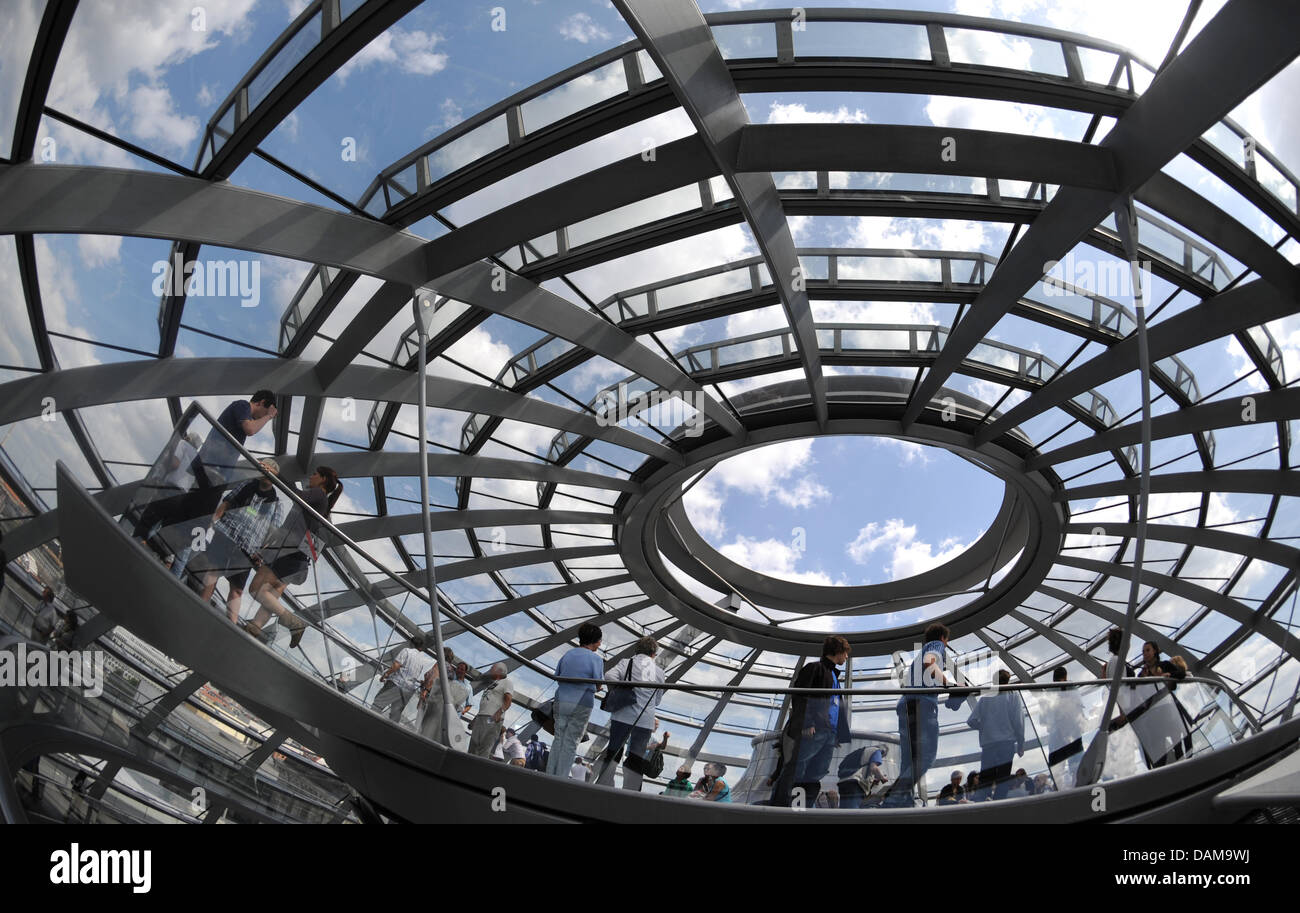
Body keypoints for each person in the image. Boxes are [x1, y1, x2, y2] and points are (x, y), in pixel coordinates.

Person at [244, 466, 342, 646]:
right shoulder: (321, 501)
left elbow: (295, 494)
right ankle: (254, 628)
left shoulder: (318, 494)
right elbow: (286, 528)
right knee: (271, 594)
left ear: (323, 479)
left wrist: (276, 475)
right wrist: (266, 550)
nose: (311, 476)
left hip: (289, 551)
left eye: (315, 474)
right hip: (295, 556)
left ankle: (294, 622)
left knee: (256, 588)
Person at [882, 623, 962, 807]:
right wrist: (949, 684)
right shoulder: (936, 646)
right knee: (926, 756)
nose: (946, 644)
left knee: (908, 760)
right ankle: (894, 797)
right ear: (943, 638)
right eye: (947, 640)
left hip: (906, 706)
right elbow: (930, 661)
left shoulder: (919, 655)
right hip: (922, 706)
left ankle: (903, 801)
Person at [198, 459, 283, 623]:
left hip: (248, 550)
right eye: (262, 469)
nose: (264, 473)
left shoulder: (276, 504)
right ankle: (200, 608)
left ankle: (232, 624)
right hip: (225, 536)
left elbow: (275, 534)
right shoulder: (246, 485)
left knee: (236, 589)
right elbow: (227, 502)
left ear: (274, 476)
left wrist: (261, 553)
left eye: (268, 471)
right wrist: (213, 521)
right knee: (211, 574)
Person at [772, 635, 852, 806]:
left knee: (817, 771)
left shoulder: (834, 676)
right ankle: (781, 807)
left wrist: (837, 734)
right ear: (838, 651)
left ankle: (801, 808)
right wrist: (807, 723)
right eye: (845, 653)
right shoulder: (814, 668)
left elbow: (835, 706)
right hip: (815, 730)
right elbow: (800, 695)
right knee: (796, 769)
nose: (846, 657)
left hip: (829, 733)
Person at [594, 636, 665, 791]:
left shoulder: (627, 663)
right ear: (653, 654)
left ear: (637, 649)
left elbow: (609, 676)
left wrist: (620, 691)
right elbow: (657, 700)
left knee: (614, 753)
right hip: (645, 720)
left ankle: (604, 787)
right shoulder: (659, 672)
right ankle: (631, 792)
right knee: (636, 759)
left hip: (623, 716)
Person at [546, 623, 604, 777]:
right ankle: (560, 777)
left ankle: (549, 773)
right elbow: (598, 685)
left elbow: (557, 675)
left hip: (561, 700)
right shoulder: (596, 659)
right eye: (599, 641)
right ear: (594, 641)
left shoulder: (568, 654)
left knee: (558, 738)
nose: (600, 644)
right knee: (571, 742)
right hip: (582, 702)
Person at [967, 669, 1025, 800]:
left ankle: (981, 807)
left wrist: (984, 728)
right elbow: (1018, 722)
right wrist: (1021, 744)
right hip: (1006, 743)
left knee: (985, 780)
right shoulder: (1013, 695)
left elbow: (971, 721)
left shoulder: (986, 697)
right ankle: (999, 808)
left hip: (988, 745)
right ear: (1008, 681)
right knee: (1003, 780)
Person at [1133, 641, 1187, 769]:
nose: (1145, 654)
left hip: (1167, 710)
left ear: (1155, 651)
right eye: (1143, 651)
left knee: (1177, 745)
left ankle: (1184, 769)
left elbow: (1181, 674)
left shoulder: (1165, 665)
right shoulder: (1142, 674)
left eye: (1148, 650)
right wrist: (1144, 680)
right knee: (1161, 748)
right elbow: (1139, 695)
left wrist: (1169, 675)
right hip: (1155, 715)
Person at [372, 634, 434, 724]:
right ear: (420, 647)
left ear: (411, 644)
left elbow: (396, 665)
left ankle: (367, 722)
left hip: (396, 684)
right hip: (408, 690)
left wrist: (385, 674)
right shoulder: (421, 660)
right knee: (395, 714)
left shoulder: (407, 651)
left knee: (378, 703)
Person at [1042, 665, 1086, 788]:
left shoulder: (1049, 693)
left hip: (1058, 736)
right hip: (1073, 734)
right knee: (1077, 767)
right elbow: (1079, 712)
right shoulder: (1073, 690)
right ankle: (1080, 790)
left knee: (1057, 770)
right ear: (1065, 677)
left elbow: (1045, 718)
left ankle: (1059, 792)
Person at [419, 654, 473, 745]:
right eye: (458, 668)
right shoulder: (449, 679)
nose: (459, 670)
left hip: (453, 716)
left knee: (442, 735)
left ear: (465, 672)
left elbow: (469, 704)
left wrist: (463, 711)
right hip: (439, 711)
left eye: (462, 669)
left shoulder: (468, 687)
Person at [469, 663, 515, 757]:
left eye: (492, 668)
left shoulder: (507, 682)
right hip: (481, 717)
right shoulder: (492, 683)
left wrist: (499, 713)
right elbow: (486, 704)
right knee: (473, 745)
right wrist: (475, 719)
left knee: (484, 747)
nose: (490, 669)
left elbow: (508, 700)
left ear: (499, 671)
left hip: (492, 718)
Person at [836, 745, 889, 809]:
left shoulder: (863, 752)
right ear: (884, 752)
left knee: (844, 811)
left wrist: (873, 780)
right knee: (853, 812)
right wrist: (882, 778)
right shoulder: (877, 751)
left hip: (843, 782)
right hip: (855, 784)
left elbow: (862, 767)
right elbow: (874, 768)